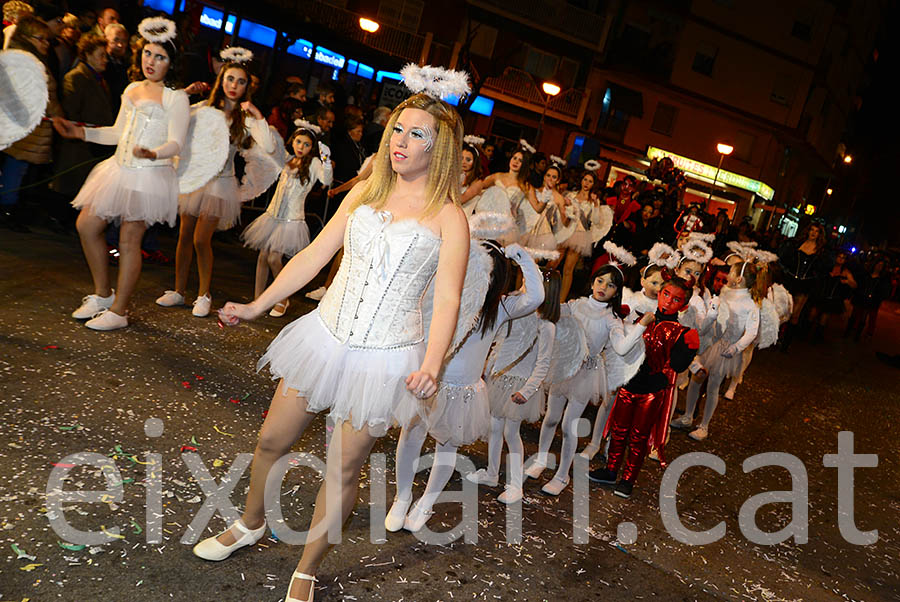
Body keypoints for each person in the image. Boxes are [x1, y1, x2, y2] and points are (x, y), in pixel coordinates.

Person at [193, 79, 471, 602]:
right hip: (325, 336)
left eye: (417, 134)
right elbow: (316, 254)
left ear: (439, 149)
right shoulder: (367, 190)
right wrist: (256, 304)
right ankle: (251, 522)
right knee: (272, 440)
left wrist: (432, 363)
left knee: (343, 467)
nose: (401, 141)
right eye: (399, 130)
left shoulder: (449, 216)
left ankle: (307, 569)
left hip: (385, 356)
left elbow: (450, 300)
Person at [389, 240, 542, 530]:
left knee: (446, 447)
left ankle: (425, 504)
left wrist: (521, 256)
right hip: (430, 380)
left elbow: (535, 297)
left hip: (462, 391)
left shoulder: (501, 308)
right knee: (410, 434)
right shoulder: (448, 297)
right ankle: (402, 496)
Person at [54, 17, 190, 330]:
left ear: (172, 62)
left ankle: (119, 310)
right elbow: (117, 133)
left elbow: (176, 142)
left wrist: (154, 152)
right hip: (118, 169)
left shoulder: (176, 97)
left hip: (149, 176)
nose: (151, 62)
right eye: (147, 54)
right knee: (86, 224)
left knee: (130, 239)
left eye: (160, 57)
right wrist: (81, 134)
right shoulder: (131, 89)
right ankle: (103, 294)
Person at [156, 49, 274, 318]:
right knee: (185, 236)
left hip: (220, 186)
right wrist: (186, 91)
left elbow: (267, 145)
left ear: (247, 87)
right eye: (230, 79)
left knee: (200, 239)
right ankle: (178, 291)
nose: (234, 85)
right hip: (196, 181)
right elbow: (169, 117)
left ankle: (204, 294)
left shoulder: (245, 120)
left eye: (241, 81)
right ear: (222, 80)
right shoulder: (204, 109)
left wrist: (257, 113)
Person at [526, 254, 650, 496]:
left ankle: (562, 475)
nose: (604, 287)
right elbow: (552, 315)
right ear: (593, 282)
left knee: (569, 425)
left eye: (611, 285)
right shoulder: (576, 305)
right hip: (564, 368)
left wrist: (642, 325)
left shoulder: (611, 319)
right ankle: (541, 460)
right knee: (551, 418)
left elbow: (622, 348)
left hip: (586, 375)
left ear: (617, 292)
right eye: (600, 281)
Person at [588, 276, 698, 498]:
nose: (668, 302)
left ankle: (628, 479)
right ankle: (610, 471)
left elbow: (677, 365)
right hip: (629, 384)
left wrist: (689, 347)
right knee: (618, 432)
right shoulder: (638, 317)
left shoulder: (682, 332)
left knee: (639, 436)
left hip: (652, 390)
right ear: (658, 294)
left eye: (675, 299)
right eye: (665, 294)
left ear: (683, 306)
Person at [469, 269, 560, 504]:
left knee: (511, 432)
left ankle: (516, 486)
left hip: (519, 385)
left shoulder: (546, 326)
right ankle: (491, 473)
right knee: (494, 428)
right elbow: (499, 345)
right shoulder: (514, 312)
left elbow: (543, 363)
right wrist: (487, 370)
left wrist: (528, 391)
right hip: (499, 379)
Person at [241, 123, 331, 317]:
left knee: (274, 258)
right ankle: (258, 301)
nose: (301, 147)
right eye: (298, 142)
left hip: (291, 221)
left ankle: (283, 298)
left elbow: (327, 181)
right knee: (263, 257)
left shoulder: (314, 164)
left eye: (306, 144)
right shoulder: (288, 160)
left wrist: (327, 161)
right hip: (272, 216)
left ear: (311, 147)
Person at [673, 260, 763, 441]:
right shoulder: (726, 294)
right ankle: (687, 416)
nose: (727, 275)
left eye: (730, 272)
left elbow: (752, 332)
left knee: (713, 386)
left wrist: (736, 348)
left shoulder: (750, 304)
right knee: (695, 379)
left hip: (725, 349)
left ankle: (704, 426)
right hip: (710, 342)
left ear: (738, 279)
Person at [0, 15, 64, 233]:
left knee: (17, 168)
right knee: (15, 168)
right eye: (41, 39)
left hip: (24, 127)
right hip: (21, 128)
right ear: (27, 38)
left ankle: (10, 207)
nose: (46, 44)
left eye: (48, 40)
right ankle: (7, 209)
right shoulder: (25, 61)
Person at [51, 34, 116, 225]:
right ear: (87, 55)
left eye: (106, 56)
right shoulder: (77, 77)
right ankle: (58, 218)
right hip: (77, 141)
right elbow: (71, 110)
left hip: (92, 141)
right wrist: (80, 130)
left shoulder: (99, 79)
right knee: (68, 182)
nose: (105, 60)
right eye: (101, 55)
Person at [559, 169, 613, 301]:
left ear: (593, 184)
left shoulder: (593, 201)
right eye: (585, 180)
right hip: (564, 232)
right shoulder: (571, 195)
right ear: (581, 180)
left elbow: (595, 221)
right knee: (552, 263)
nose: (587, 183)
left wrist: (595, 205)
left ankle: (561, 301)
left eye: (590, 181)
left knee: (568, 270)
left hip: (579, 235)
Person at [778, 222, 830, 350]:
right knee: (783, 310)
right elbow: (784, 259)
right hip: (790, 280)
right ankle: (776, 337)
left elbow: (823, 269)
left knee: (795, 313)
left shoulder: (820, 250)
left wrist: (815, 275)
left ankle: (786, 343)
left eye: (816, 231)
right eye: (811, 230)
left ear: (819, 234)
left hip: (805, 284)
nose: (813, 233)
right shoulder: (796, 244)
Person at [845, 257, 891, 341]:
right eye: (878, 265)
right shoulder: (865, 274)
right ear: (874, 264)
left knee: (863, 317)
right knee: (853, 315)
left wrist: (876, 298)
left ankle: (857, 335)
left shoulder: (881, 280)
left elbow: (883, 292)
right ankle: (847, 332)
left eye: (881, 266)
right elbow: (858, 283)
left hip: (870, 301)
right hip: (860, 297)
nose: (879, 267)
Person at [103, 23, 130, 109]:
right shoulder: (101, 64)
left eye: (124, 41)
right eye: (116, 40)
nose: (120, 45)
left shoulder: (127, 64)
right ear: (105, 39)